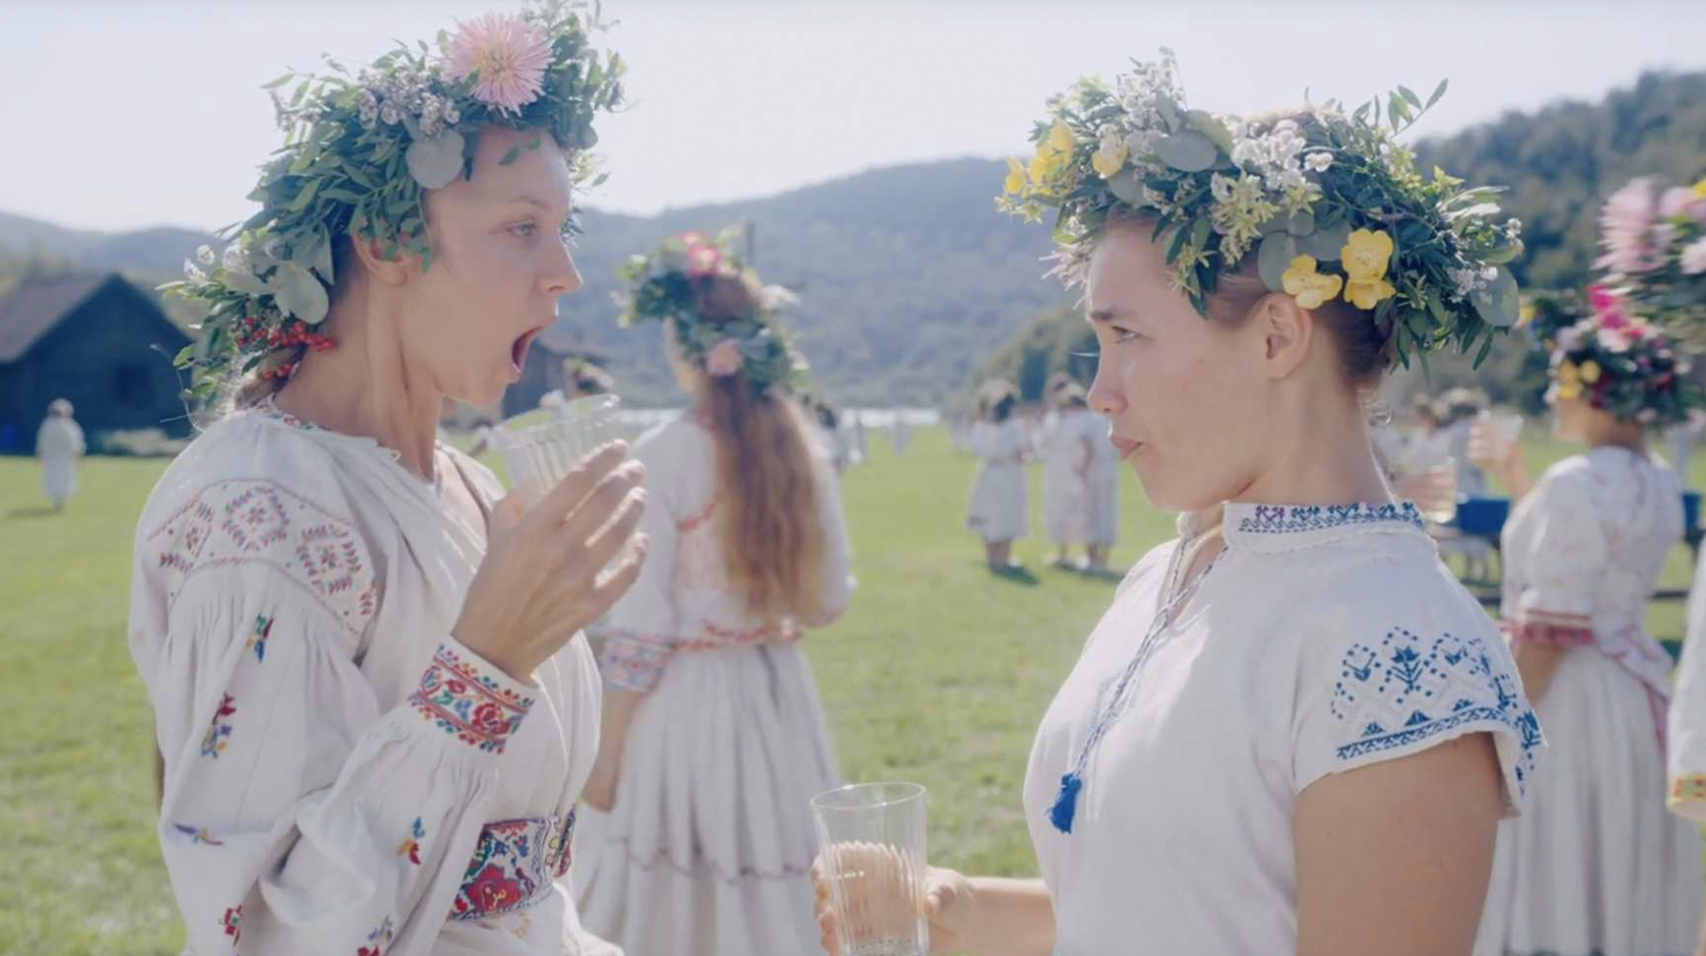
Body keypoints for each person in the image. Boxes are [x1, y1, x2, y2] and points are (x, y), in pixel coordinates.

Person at [818, 57, 1538, 956]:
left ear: (1277, 335)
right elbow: (1162, 907)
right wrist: (959, 909)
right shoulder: (1171, 570)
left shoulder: (1398, 647)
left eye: (1126, 336)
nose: (1100, 393)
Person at [127, 10, 641, 954]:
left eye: (565, 231)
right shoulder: (260, 507)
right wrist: (485, 662)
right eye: (523, 228)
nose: (565, 274)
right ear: (388, 243)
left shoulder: (475, 489)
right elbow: (270, 927)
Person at [573, 230, 854, 956]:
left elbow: (641, 628)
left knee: (676, 906)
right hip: (777, 695)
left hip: (687, 707)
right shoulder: (799, 446)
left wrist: (605, 756)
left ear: (684, 350)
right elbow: (829, 602)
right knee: (783, 893)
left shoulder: (665, 453)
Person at [1470, 286, 1704, 956]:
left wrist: (1499, 734)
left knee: (1554, 858)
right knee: (1610, 859)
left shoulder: (1577, 481)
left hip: (1567, 702)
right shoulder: (1655, 477)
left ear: (1594, 390)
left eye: (1559, 382)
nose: (1551, 398)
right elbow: (1589, 565)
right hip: (1630, 694)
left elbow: (1552, 628)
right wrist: (1518, 477)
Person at [966, 379, 1030, 571]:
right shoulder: (1016, 426)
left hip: (987, 472)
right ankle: (1003, 557)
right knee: (1006, 514)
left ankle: (991, 557)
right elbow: (1021, 453)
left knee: (988, 513)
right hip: (1009, 473)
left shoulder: (981, 427)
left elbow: (976, 448)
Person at [1038, 376, 1094, 569]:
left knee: (1075, 510)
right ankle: (1062, 552)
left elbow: (1085, 444)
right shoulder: (1051, 419)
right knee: (1056, 509)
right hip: (1054, 470)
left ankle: (1082, 553)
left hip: (1071, 469)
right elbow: (1042, 443)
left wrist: (1081, 467)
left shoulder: (1079, 420)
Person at [36, 397, 84, 511]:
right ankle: (59, 501)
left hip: (58, 458)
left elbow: (42, 441)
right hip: (60, 458)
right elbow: (76, 442)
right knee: (59, 478)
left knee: (58, 478)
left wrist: (40, 453)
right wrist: (78, 453)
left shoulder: (49, 425)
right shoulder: (66, 425)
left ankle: (58, 501)